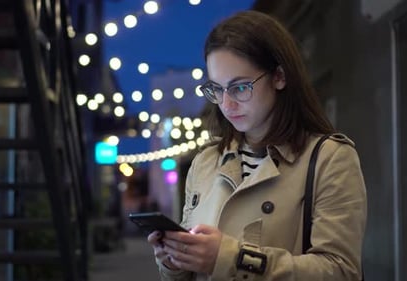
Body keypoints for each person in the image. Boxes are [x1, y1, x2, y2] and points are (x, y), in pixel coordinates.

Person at [147, 10, 367, 281]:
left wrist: (227, 259)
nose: (227, 104)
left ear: (279, 76)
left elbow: (341, 271)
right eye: (217, 89)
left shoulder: (329, 158)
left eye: (240, 88)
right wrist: (175, 260)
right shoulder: (205, 162)